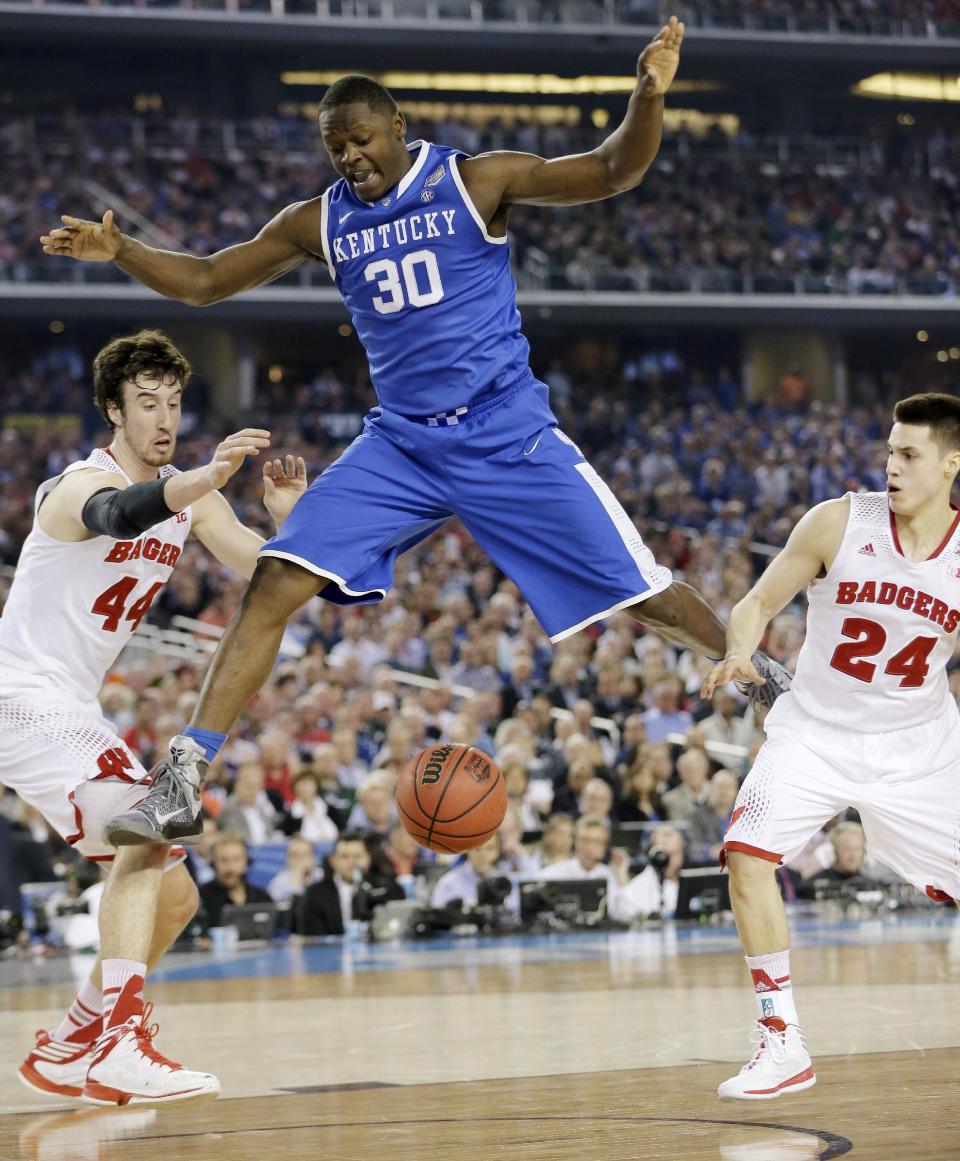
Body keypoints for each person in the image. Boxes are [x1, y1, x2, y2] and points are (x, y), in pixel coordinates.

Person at [46, 24, 788, 849]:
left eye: (360, 140)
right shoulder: (319, 219)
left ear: (398, 127)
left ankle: (764, 679)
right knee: (274, 579)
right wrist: (121, 251)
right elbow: (209, 280)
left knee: (643, 593)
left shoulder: (477, 181)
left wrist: (647, 95)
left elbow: (616, 168)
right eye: (335, 148)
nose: (349, 159)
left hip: (505, 432)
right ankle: (184, 774)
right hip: (400, 444)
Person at [0, 330, 306, 1106]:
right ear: (113, 409)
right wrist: (204, 476)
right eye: (146, 403)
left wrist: (288, 521)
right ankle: (119, 1042)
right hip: (21, 692)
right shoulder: (72, 487)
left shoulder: (194, 497)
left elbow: (261, 567)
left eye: (172, 402)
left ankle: (74, 1041)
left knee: (174, 894)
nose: (163, 417)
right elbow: (122, 512)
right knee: (149, 820)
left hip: (61, 705)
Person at [701, 393, 960, 1101]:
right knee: (746, 855)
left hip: (919, 747)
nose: (892, 466)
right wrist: (741, 647)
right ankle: (781, 1041)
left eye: (909, 455)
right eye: (888, 450)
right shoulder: (838, 521)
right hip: (813, 731)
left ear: (951, 463)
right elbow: (757, 601)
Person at [198, 832, 273, 930]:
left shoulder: (263, 898)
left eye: (236, 859)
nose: (231, 868)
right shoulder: (200, 898)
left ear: (247, 861)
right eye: (224, 860)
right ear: (213, 864)